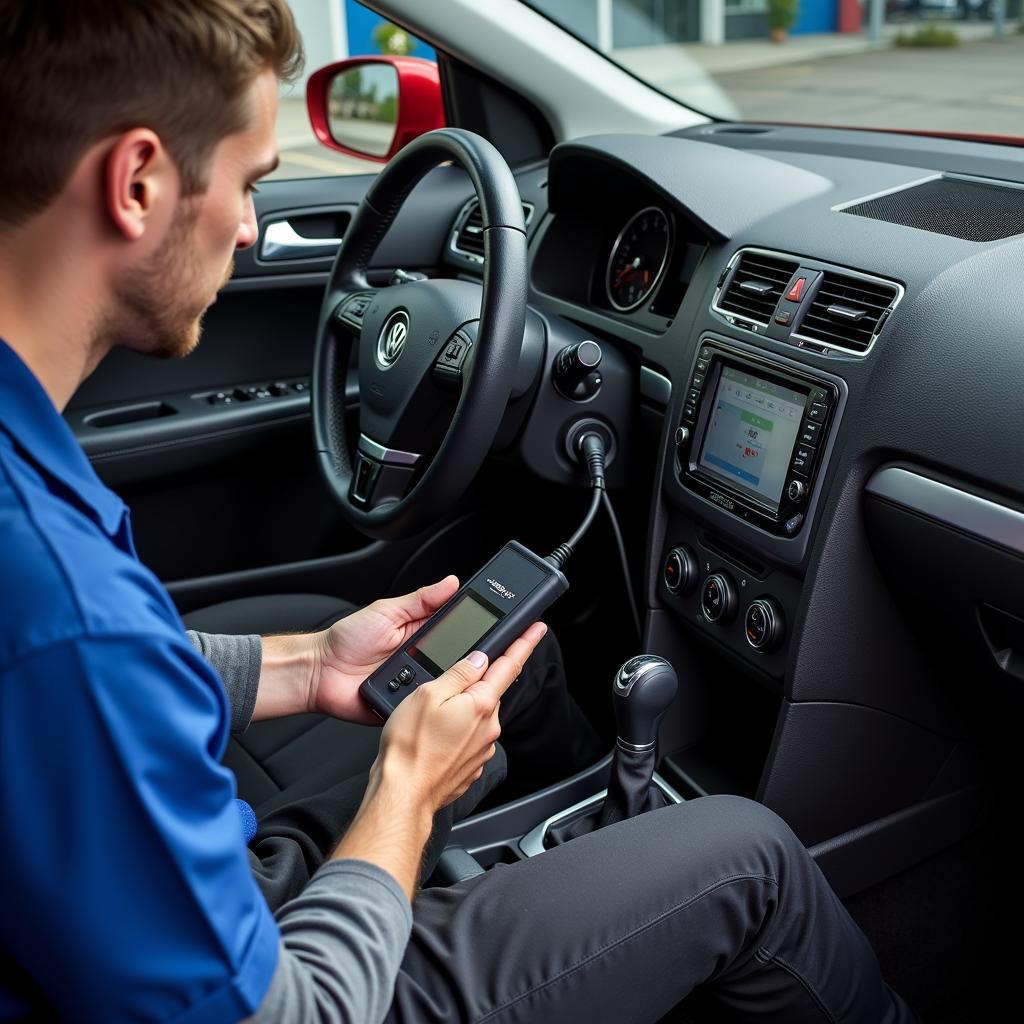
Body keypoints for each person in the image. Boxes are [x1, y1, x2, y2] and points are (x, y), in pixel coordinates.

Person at [0, 2, 917, 1021]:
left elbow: (102, 673)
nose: (255, 227)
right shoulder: (57, 600)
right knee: (745, 859)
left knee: (518, 675)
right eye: (252, 182)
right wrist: (405, 797)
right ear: (135, 183)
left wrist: (309, 665)